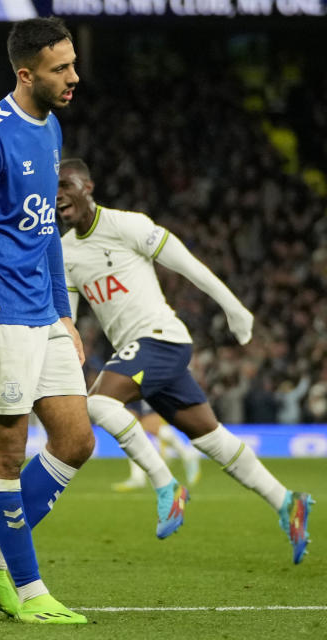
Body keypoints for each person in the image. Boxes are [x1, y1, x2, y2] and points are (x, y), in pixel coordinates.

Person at [57, 157, 313, 562]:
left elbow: (188, 265)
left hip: (160, 338)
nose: (57, 197)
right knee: (211, 438)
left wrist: (234, 308)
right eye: (51, 192)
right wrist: (65, 345)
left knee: (101, 403)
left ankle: (164, 484)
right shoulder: (64, 252)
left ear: (87, 187)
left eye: (64, 186)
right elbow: (67, 316)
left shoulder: (128, 225)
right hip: (141, 350)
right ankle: (286, 501)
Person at [0, 18, 93, 625]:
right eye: (62, 69)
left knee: (77, 442)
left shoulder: (52, 127)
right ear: (25, 73)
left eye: (74, 64)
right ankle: (29, 592)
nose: (74, 77)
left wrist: (65, 312)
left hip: (41, 311)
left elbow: (46, 232)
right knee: (5, 459)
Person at [112, 404, 202, 492]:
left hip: (143, 391)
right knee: (129, 427)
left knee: (153, 426)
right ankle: (137, 478)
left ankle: (186, 454)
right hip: (130, 394)